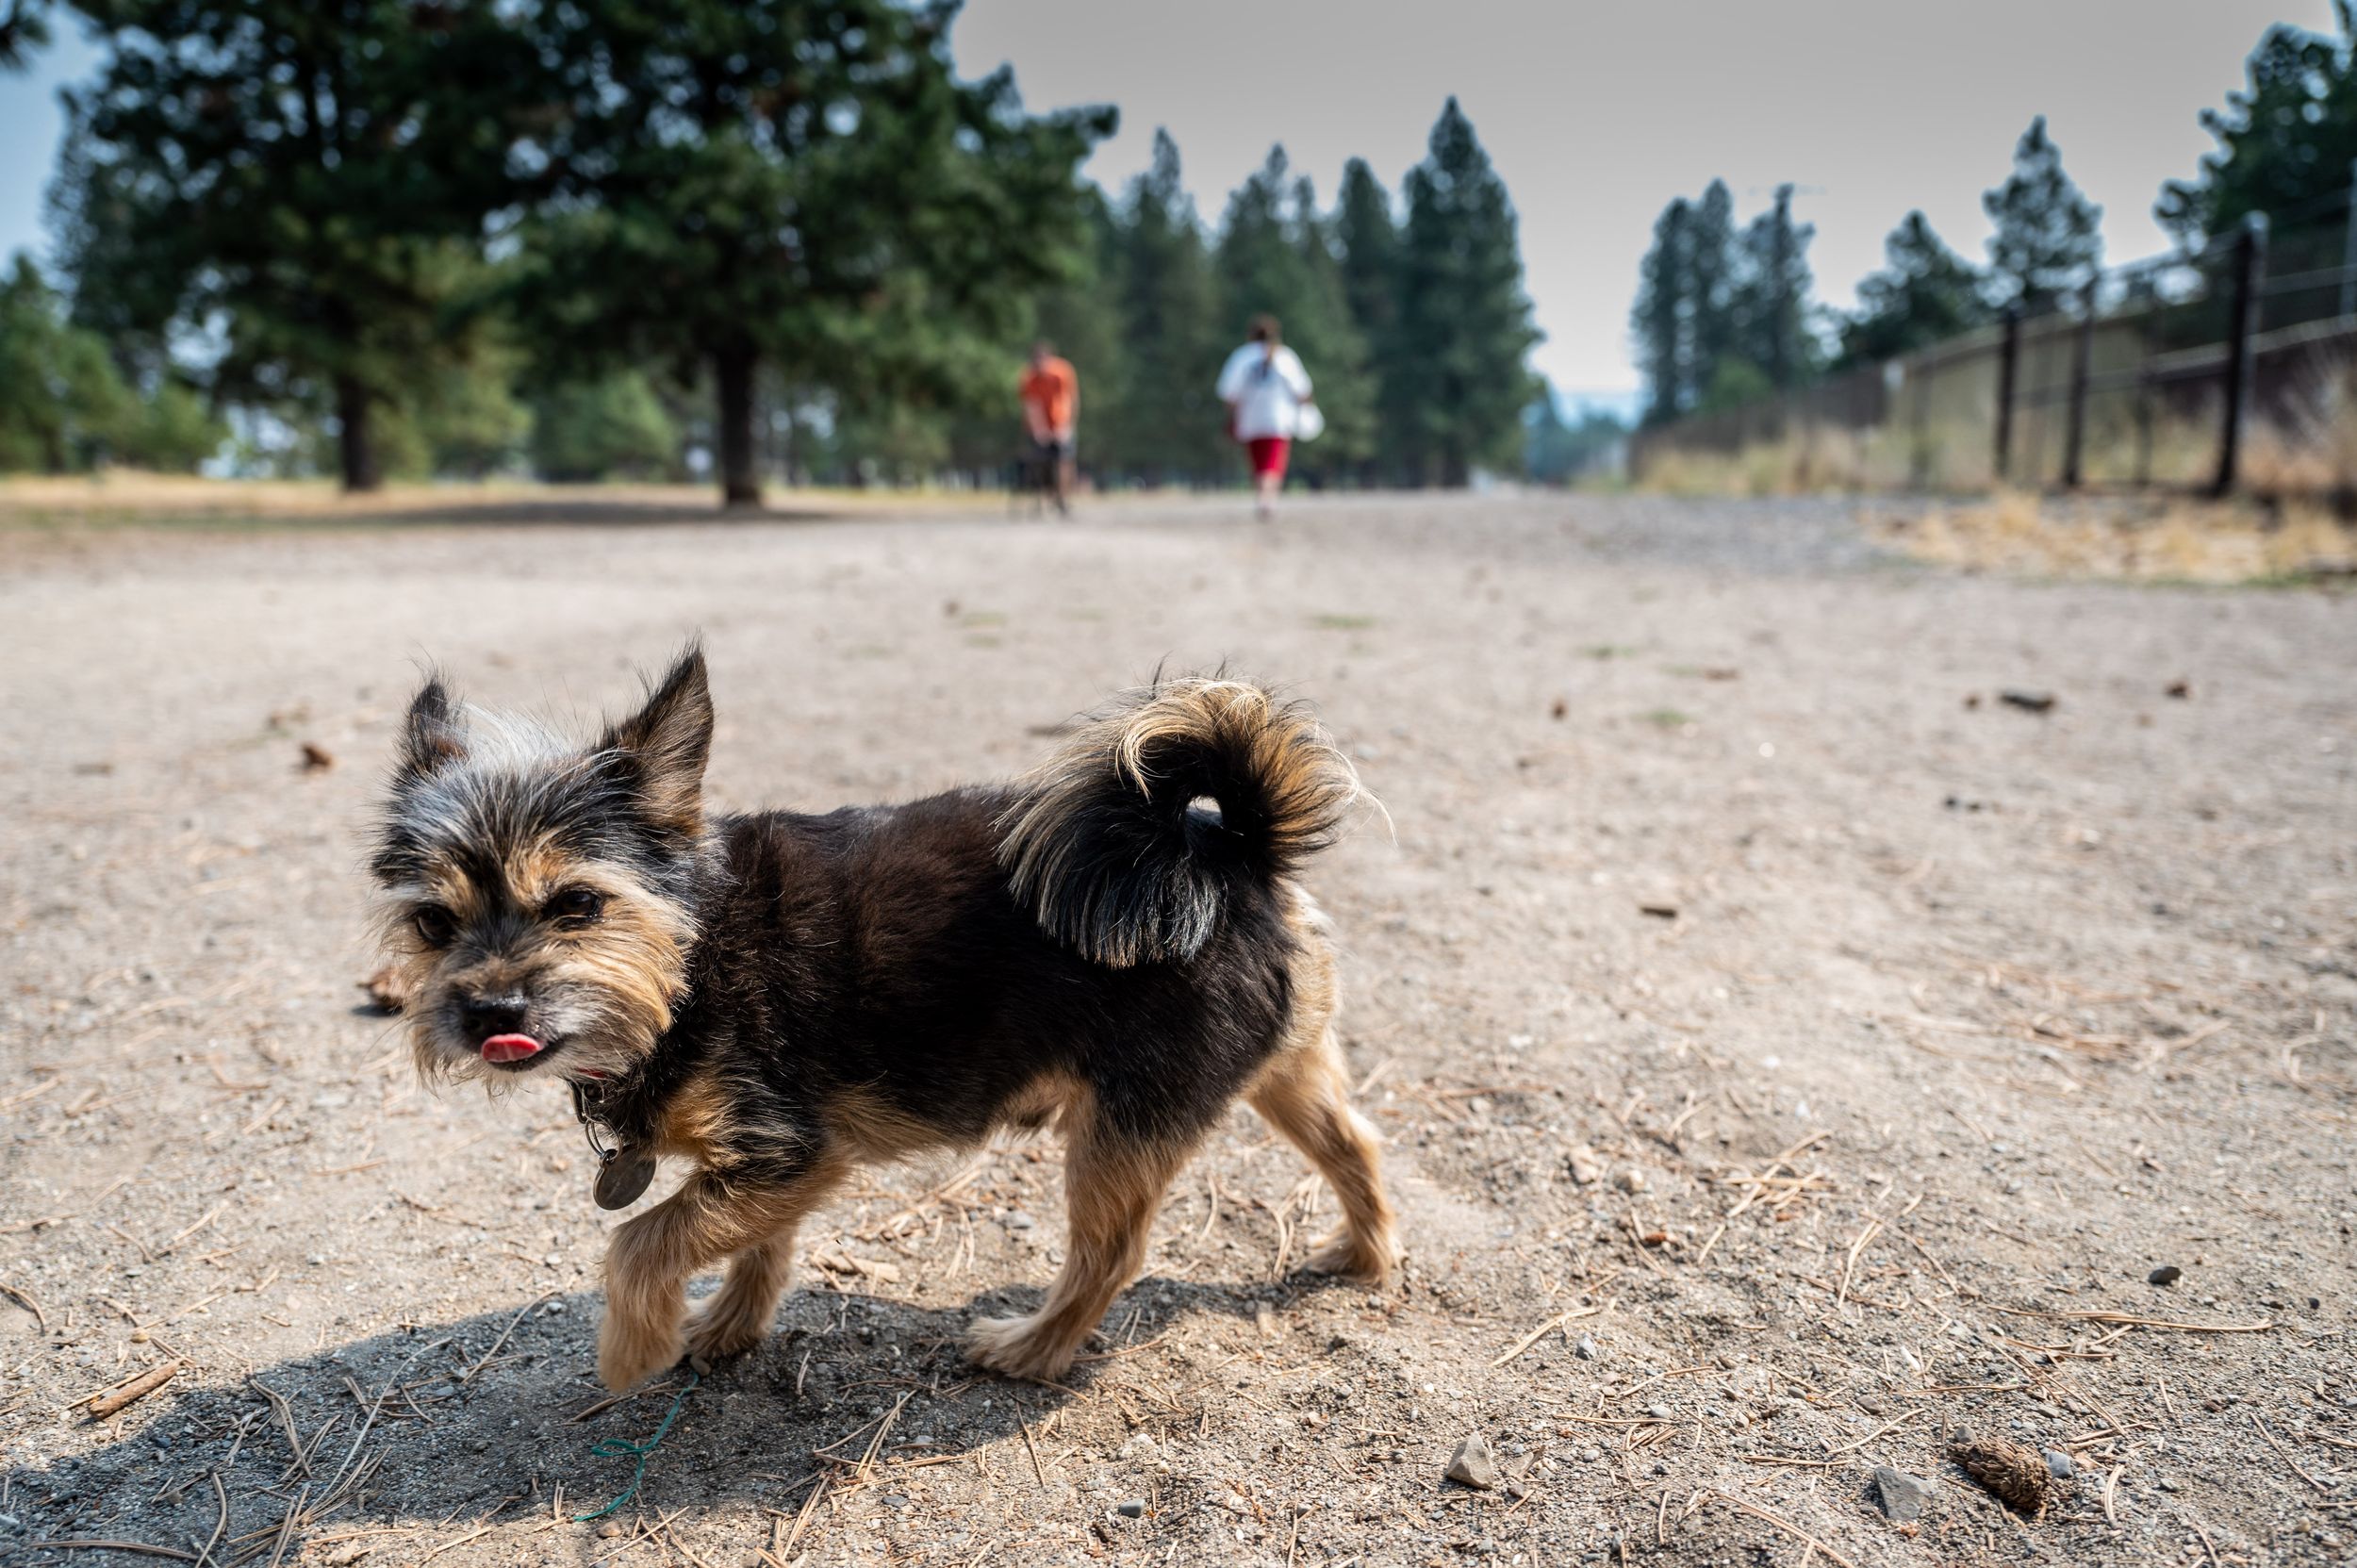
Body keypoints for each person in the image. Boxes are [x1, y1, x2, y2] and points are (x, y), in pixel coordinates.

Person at [1216, 315, 1315, 520]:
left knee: (1258, 461)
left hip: (1249, 418)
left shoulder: (1242, 356)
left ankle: (1263, 498)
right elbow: (1302, 390)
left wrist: (1231, 416)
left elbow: (1228, 392)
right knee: (1273, 462)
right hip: (1279, 418)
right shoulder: (1285, 356)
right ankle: (1268, 500)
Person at [1018, 340, 1079, 515]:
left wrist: (1066, 426)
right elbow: (1031, 406)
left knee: (1064, 459)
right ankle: (1045, 496)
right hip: (1039, 427)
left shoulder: (1062, 372)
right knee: (1041, 461)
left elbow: (1069, 399)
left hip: (1061, 423)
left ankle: (1063, 498)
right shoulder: (1029, 378)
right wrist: (1039, 430)